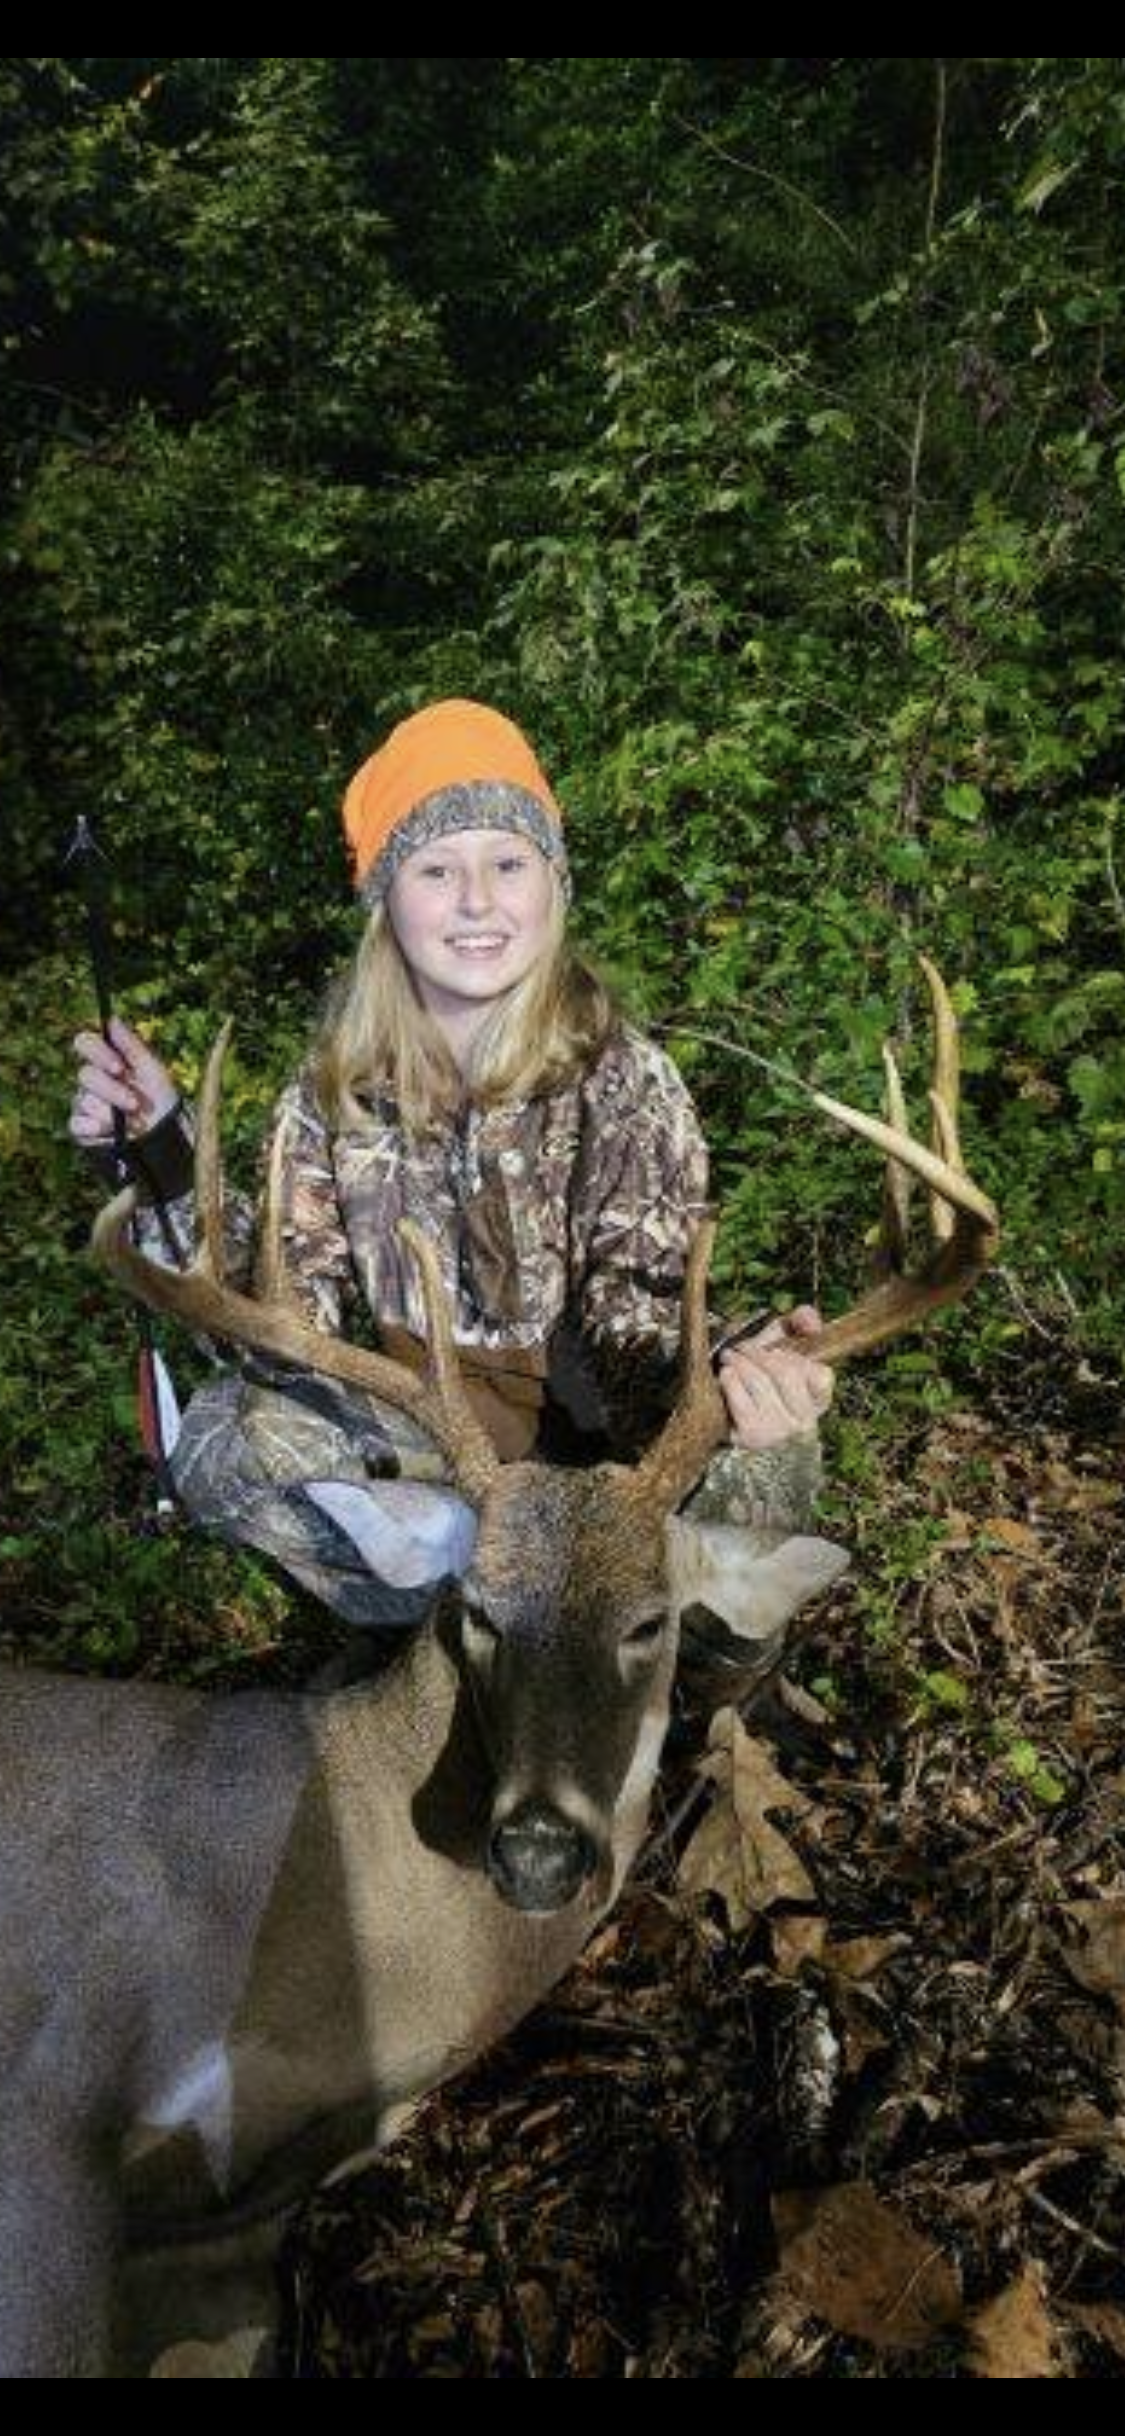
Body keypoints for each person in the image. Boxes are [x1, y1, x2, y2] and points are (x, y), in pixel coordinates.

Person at [70, 698, 833, 1655]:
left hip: (605, 1474)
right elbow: (283, 1333)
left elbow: (637, 1334)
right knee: (231, 1435)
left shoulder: (625, 1083)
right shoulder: (333, 1096)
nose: (476, 900)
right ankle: (452, 1650)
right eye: (435, 870)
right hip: (445, 1475)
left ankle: (693, 1693)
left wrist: (735, 1368)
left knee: (766, 1457)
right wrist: (162, 1152)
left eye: (508, 864)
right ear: (385, 903)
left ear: (553, 887)